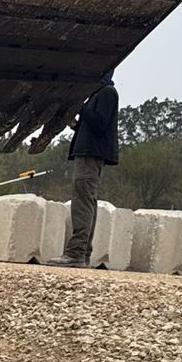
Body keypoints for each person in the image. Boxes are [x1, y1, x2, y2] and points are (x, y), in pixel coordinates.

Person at [54, 75, 120, 268]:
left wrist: (80, 107)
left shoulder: (107, 93)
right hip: (89, 153)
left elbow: (100, 124)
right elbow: (93, 126)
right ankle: (82, 253)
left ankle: (76, 253)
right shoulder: (98, 93)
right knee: (86, 200)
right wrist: (76, 124)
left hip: (91, 155)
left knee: (82, 202)